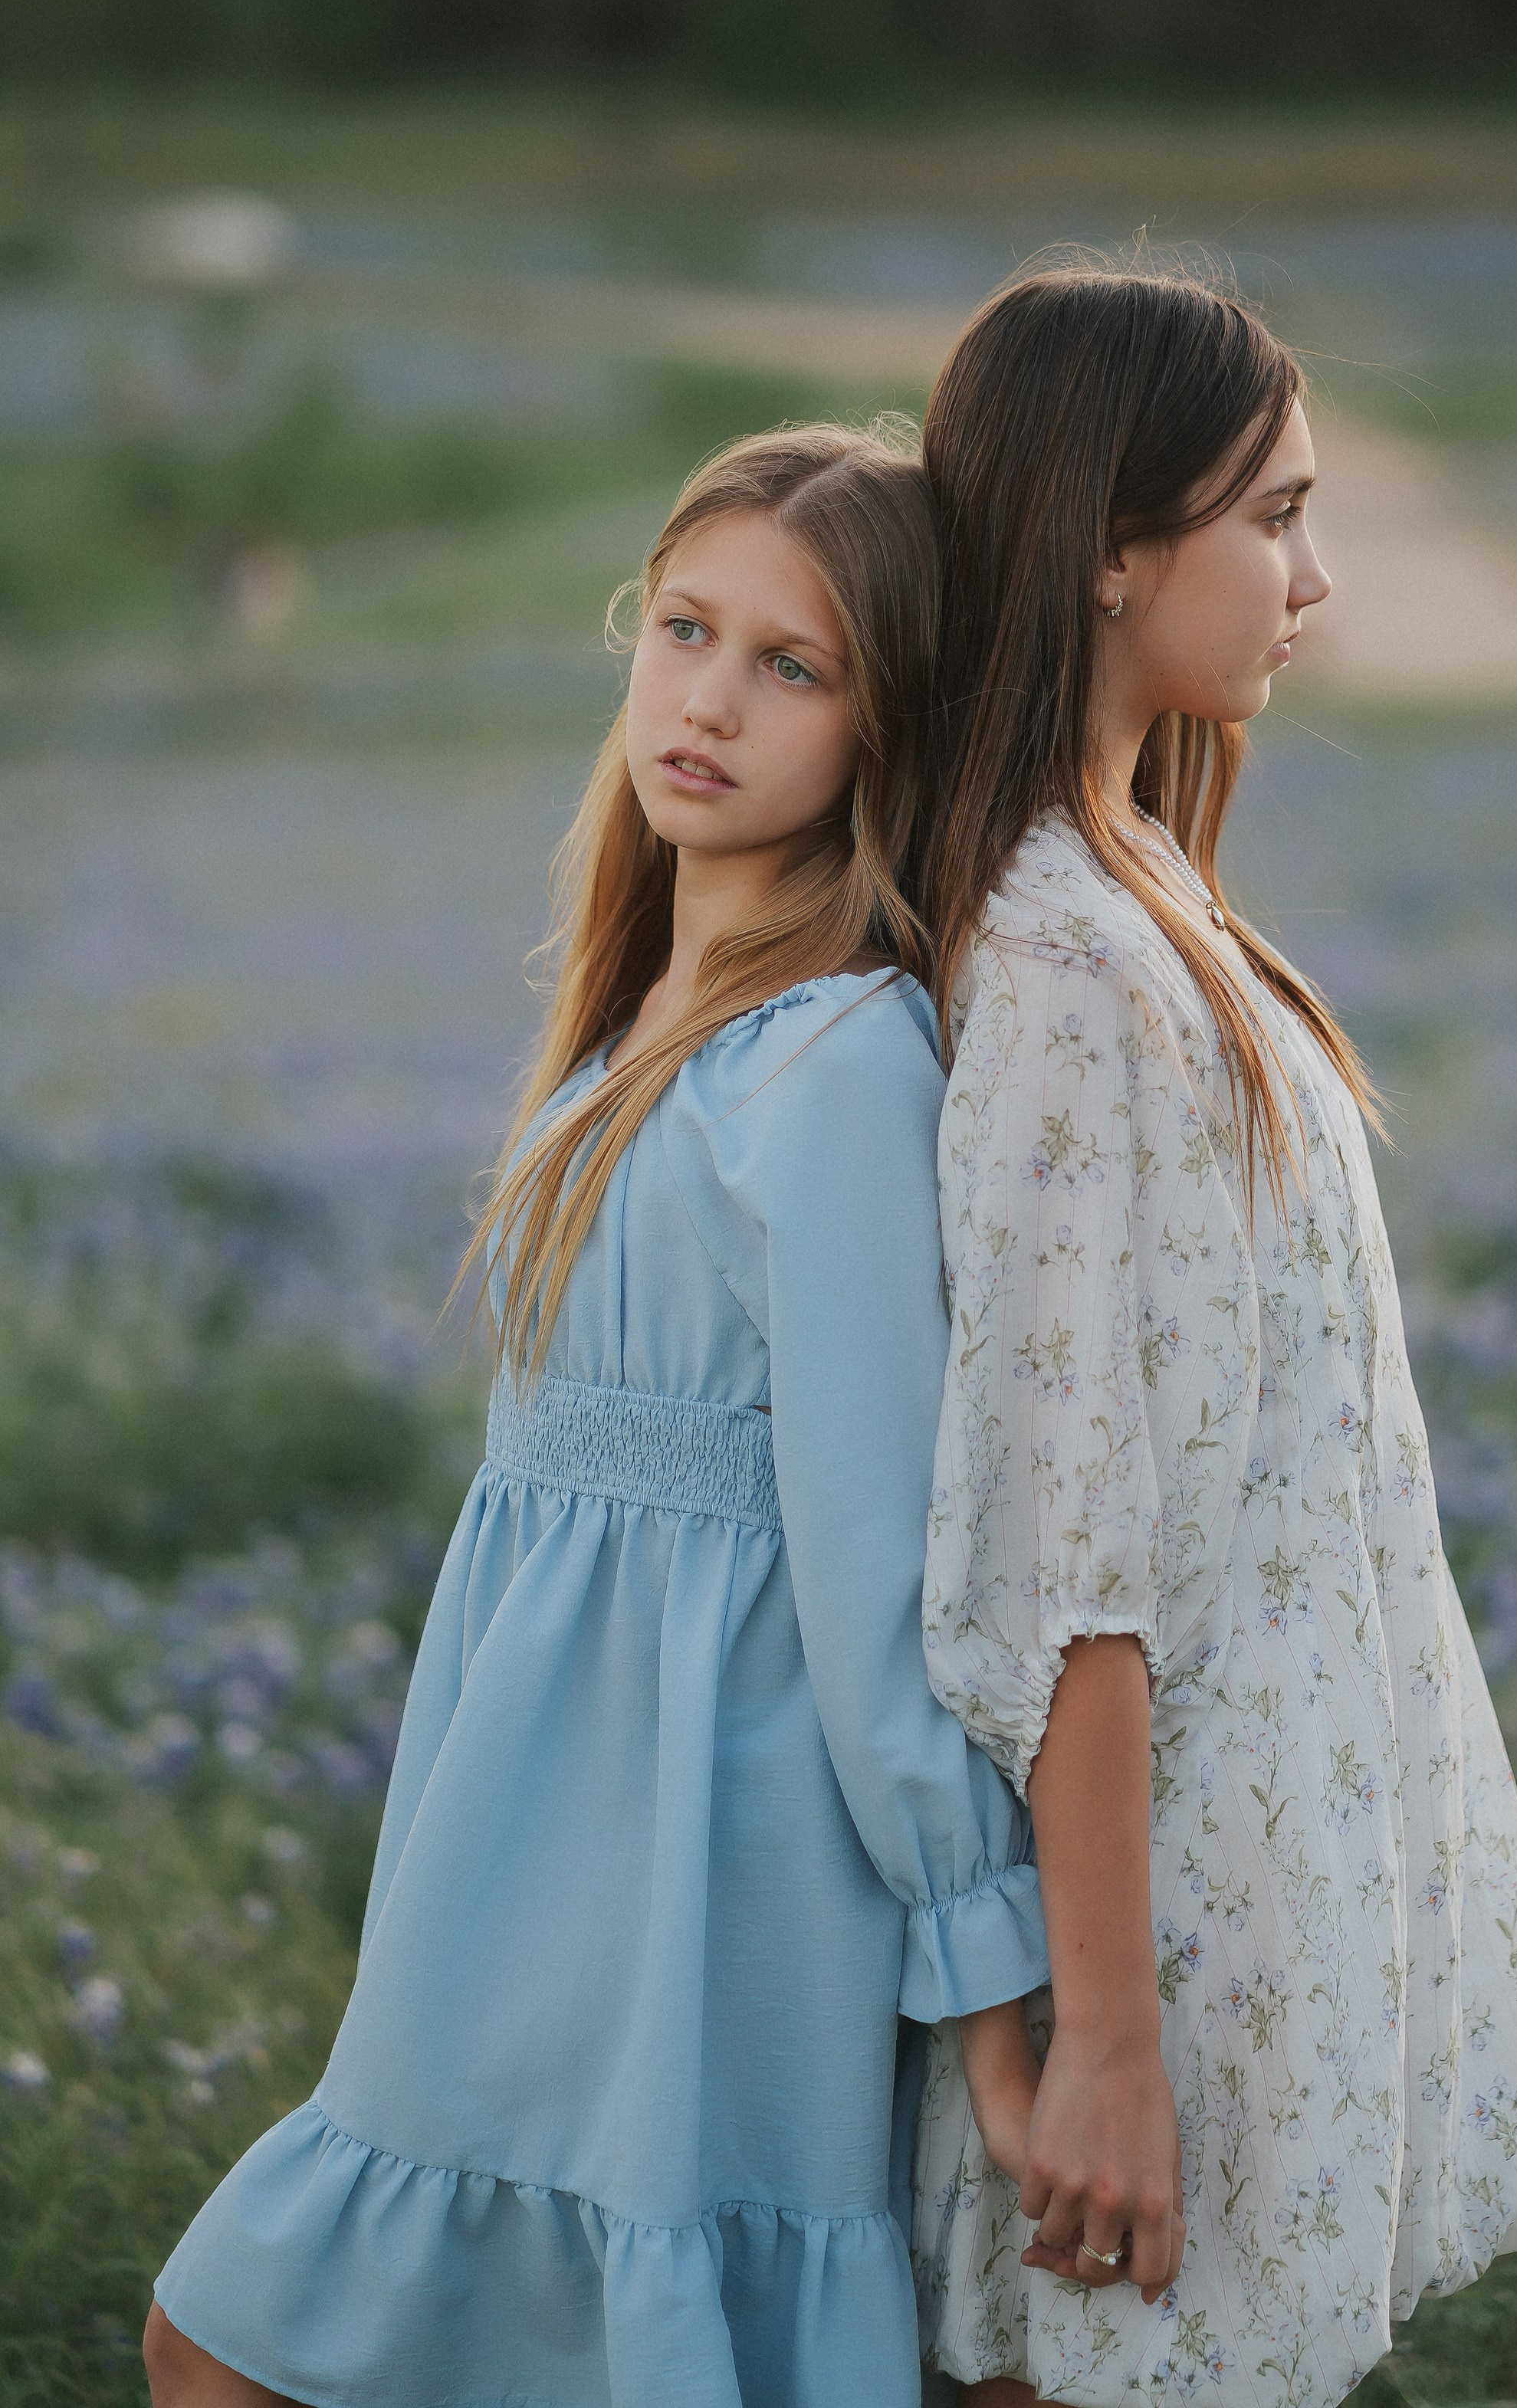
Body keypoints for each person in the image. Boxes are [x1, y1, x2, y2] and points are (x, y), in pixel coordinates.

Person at [145, 425, 1048, 2408]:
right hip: (524, 1798)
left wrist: (987, 1973)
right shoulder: (652, 1009)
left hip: (699, 1844)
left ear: (881, 725)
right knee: (252, 2337)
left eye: (791, 668)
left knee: (246, 2341)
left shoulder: (833, 1065)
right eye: (681, 629)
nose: (705, 701)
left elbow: (873, 1552)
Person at [909, 272, 1517, 2408]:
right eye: (1272, 517)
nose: (1316, 577)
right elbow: (1067, 1563)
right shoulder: (1055, 969)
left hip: (1269, 1868)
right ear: (1107, 546)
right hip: (1176, 1920)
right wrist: (1107, 2040)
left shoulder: (1144, 903)